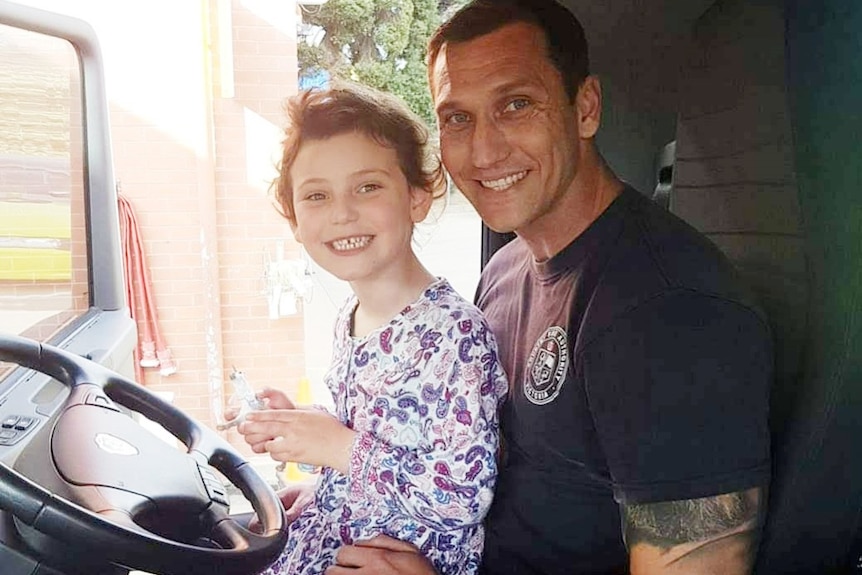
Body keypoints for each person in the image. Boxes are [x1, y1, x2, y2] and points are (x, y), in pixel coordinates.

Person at [327, 1, 773, 574]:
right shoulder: (506, 271)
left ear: (584, 109)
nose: (485, 152)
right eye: (458, 118)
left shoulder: (670, 313)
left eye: (516, 105)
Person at [234, 81, 509, 575]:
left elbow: (463, 495)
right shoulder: (351, 317)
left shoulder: (454, 336)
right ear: (295, 220)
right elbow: (377, 428)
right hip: (337, 528)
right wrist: (300, 424)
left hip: (399, 558)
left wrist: (337, 449)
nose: (342, 213)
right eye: (317, 196)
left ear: (419, 198)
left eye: (367, 187)